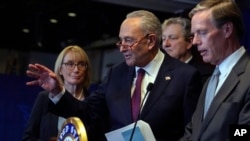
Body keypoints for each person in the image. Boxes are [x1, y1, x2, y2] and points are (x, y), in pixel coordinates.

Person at [26, 10, 203, 141]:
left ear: (150, 41)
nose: (122, 47)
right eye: (121, 40)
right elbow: (88, 112)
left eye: (129, 40)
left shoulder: (185, 77)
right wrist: (58, 91)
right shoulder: (115, 74)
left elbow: (193, 131)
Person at [180, 0, 250, 141]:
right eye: (194, 35)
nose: (195, 42)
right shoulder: (213, 78)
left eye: (202, 32)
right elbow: (194, 130)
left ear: (227, 30)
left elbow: (244, 134)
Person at [22, 45, 104, 141]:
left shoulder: (93, 102)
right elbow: (28, 138)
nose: (76, 70)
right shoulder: (45, 98)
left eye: (81, 64)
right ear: (60, 69)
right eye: (70, 64)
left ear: (86, 70)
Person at [162, 17, 214, 85]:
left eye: (172, 38)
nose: (166, 44)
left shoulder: (203, 74)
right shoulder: (160, 71)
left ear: (189, 42)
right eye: (163, 39)